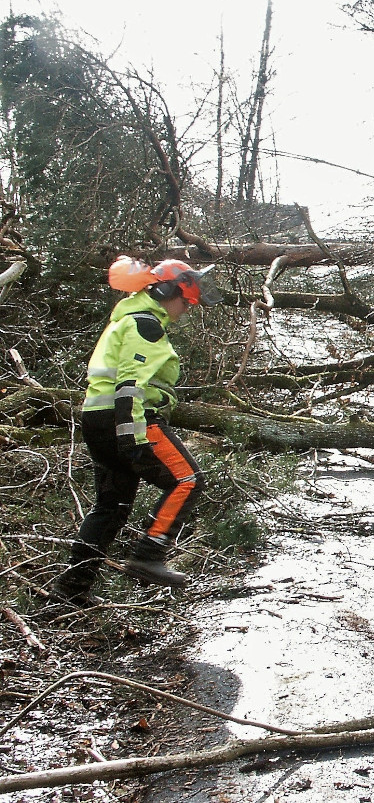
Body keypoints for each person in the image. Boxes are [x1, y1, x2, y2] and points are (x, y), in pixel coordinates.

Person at [52, 257, 222, 605]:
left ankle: (71, 590)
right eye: (186, 302)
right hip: (127, 417)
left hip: (96, 418)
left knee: (110, 507)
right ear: (170, 291)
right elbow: (130, 384)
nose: (187, 310)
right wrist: (131, 435)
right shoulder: (146, 325)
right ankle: (149, 554)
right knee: (186, 479)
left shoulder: (127, 318)